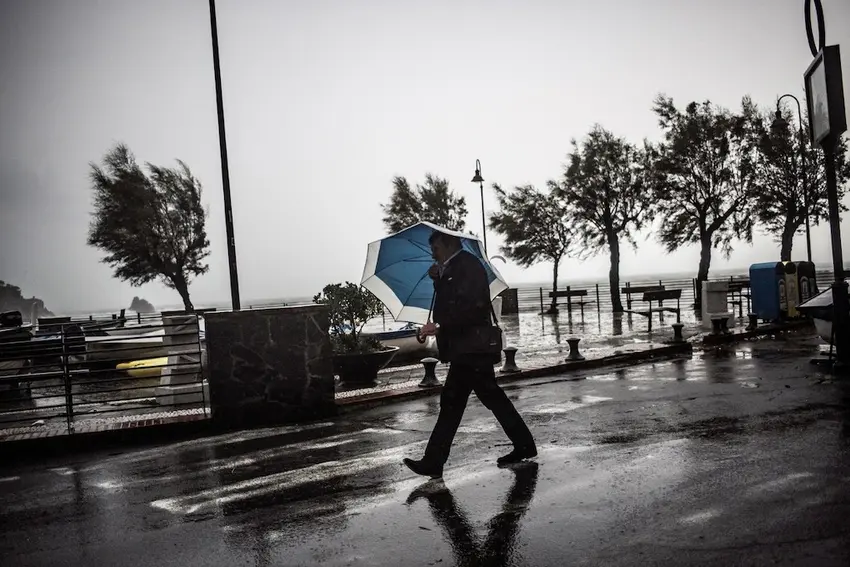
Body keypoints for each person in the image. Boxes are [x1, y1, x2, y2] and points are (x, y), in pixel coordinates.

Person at [402, 231, 536, 479]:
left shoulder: (468, 266)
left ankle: (433, 462)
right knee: (481, 399)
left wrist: (439, 327)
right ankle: (524, 444)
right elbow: (452, 302)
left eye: (436, 249)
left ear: (449, 244)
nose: (433, 254)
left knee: (454, 403)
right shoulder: (453, 268)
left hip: (471, 349)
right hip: (466, 350)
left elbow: (470, 309)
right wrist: (438, 280)